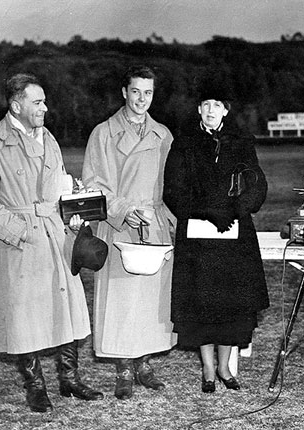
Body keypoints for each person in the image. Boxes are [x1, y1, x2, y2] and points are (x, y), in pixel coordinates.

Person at [0, 73, 103, 412]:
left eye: (44, 101)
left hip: (55, 235)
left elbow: (57, 186)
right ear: (16, 105)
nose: (45, 107)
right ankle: (35, 386)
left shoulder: (49, 138)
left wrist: (71, 210)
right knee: (24, 315)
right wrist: (19, 231)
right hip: (21, 240)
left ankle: (69, 380)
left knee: (67, 308)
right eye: (38, 102)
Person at [163, 75, 269, 393]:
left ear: (225, 111)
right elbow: (173, 190)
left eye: (217, 106)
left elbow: (257, 185)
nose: (211, 110)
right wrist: (207, 212)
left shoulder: (241, 142)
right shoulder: (183, 143)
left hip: (234, 234)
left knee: (231, 304)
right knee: (202, 303)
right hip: (198, 235)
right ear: (199, 109)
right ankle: (208, 369)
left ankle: (225, 367)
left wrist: (235, 210)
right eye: (206, 104)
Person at [82, 65, 177, 400]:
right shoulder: (104, 133)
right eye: (135, 91)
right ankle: (123, 367)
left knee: (152, 299)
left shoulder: (163, 135)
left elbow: (173, 185)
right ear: (124, 92)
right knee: (121, 299)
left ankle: (144, 363)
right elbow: (94, 186)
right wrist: (123, 210)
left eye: (148, 93)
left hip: (154, 225)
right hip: (118, 224)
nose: (141, 99)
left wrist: (173, 221)